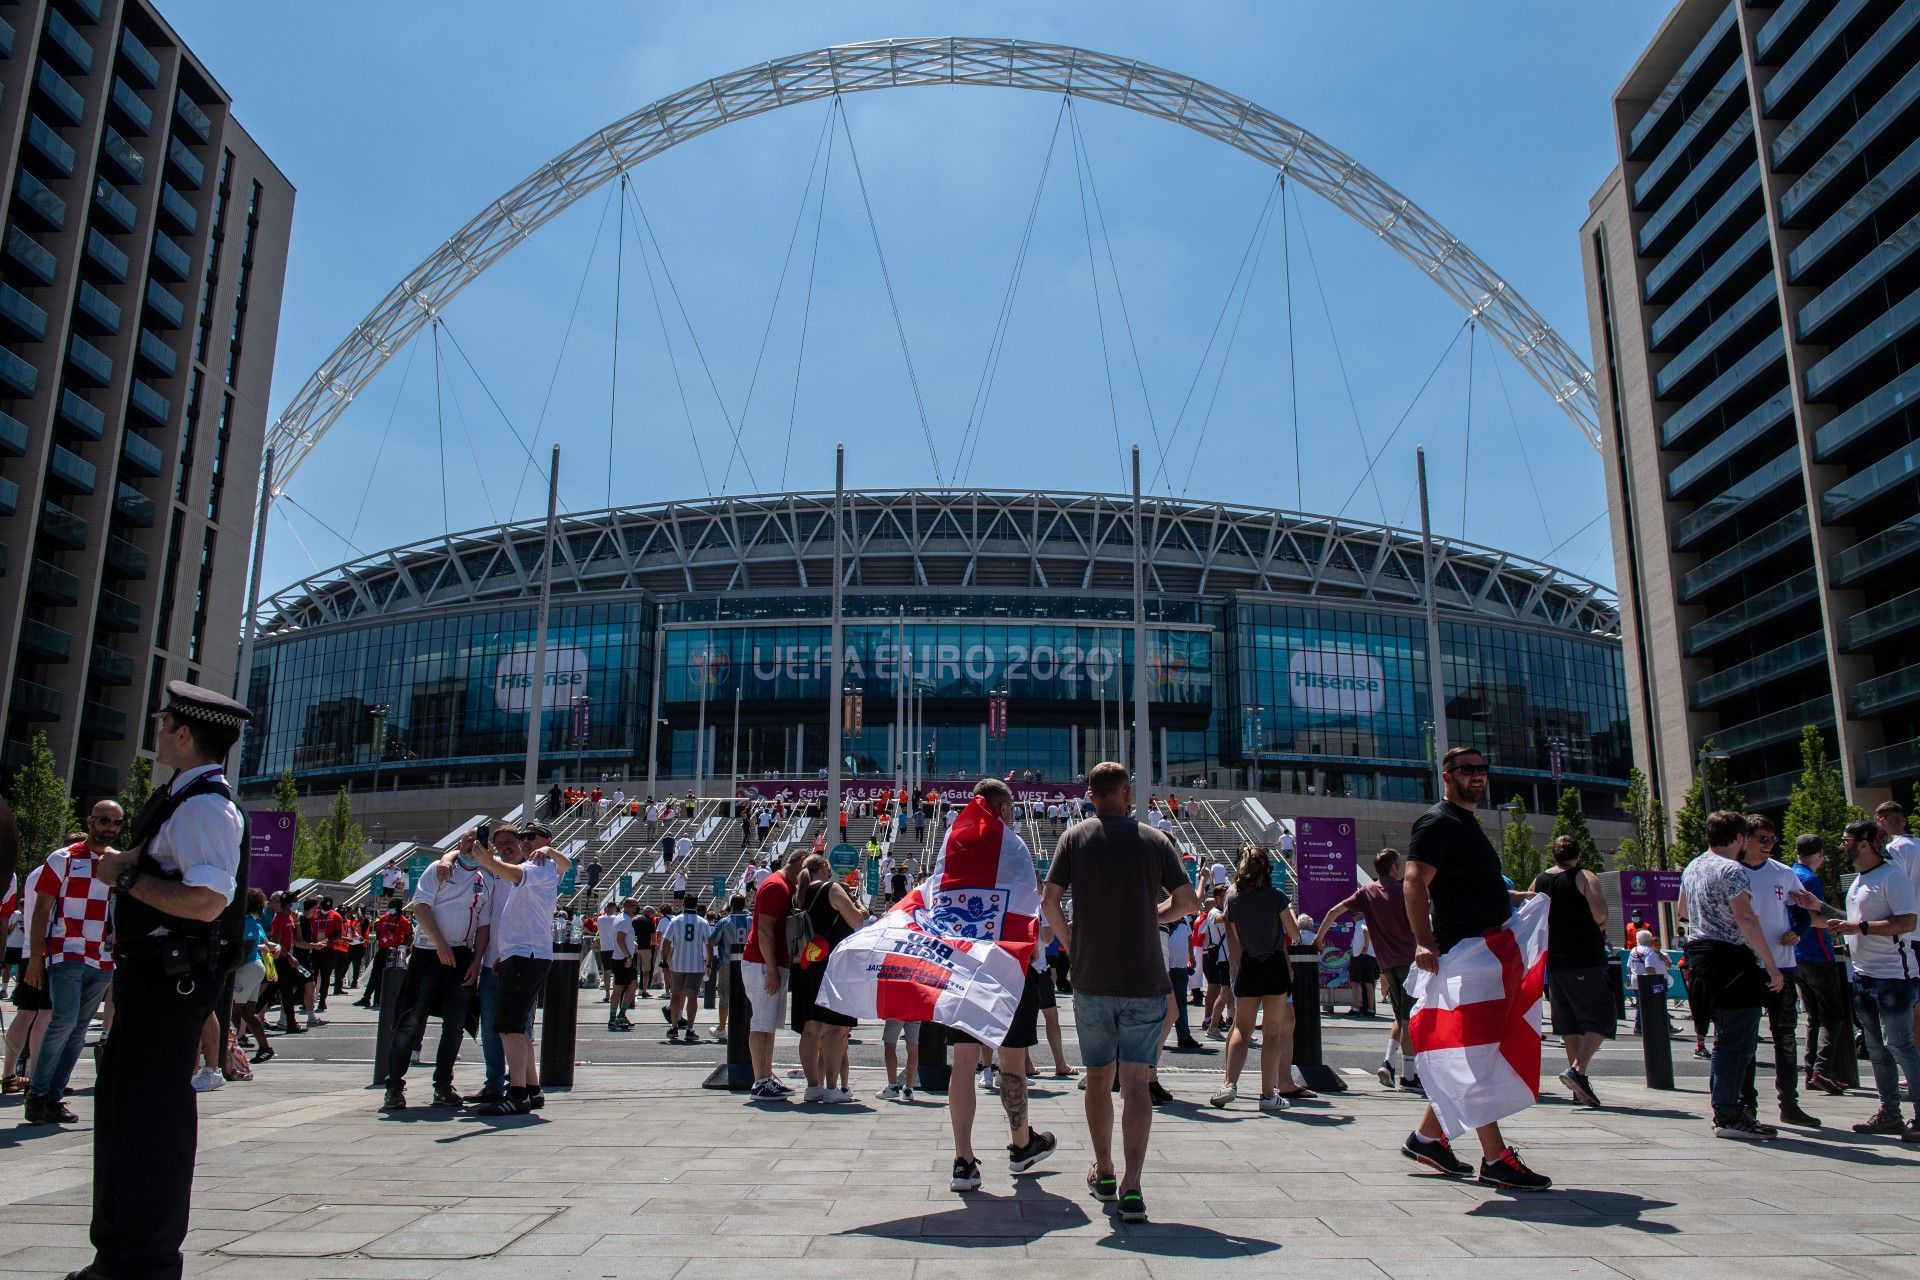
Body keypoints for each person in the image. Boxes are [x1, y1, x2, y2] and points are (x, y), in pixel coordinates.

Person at [81, 682, 251, 1280]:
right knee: (130, 1113)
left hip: (168, 976)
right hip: (151, 974)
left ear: (185, 734)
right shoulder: (183, 800)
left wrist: (124, 881)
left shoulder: (205, 807)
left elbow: (207, 901)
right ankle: (122, 1251)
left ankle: (142, 1260)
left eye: (164, 723)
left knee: (151, 1120)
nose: (157, 732)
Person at [1041, 761, 1200, 1224]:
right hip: (1144, 978)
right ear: (1127, 793)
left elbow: (1049, 901)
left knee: (1096, 1077)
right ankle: (1133, 1185)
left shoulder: (1075, 839)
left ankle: (1105, 1169)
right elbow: (1188, 901)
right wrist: (1153, 916)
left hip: (1092, 979)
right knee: (1135, 1083)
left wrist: (1073, 944)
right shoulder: (1155, 840)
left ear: (1090, 795)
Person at [1399, 745, 1551, 1190]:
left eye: (1483, 769)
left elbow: (1469, 890)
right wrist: (1423, 942)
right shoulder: (1438, 823)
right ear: (1447, 776)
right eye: (1467, 770)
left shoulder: (1467, 825)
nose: (1477, 776)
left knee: (1476, 1054)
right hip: (1464, 955)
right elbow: (1413, 882)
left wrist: (1516, 902)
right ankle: (1495, 1157)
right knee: (1479, 1058)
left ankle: (1428, 1137)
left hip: (1484, 953)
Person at [937, 780, 1058, 1193]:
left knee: (965, 1062)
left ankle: (963, 1160)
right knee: (1011, 1060)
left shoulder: (952, 841)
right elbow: (1029, 910)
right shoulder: (1015, 846)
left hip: (963, 964)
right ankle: (1021, 1144)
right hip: (1007, 966)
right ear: (1003, 807)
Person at [1798, 819, 1920, 1140]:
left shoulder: (1892, 877)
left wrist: (1861, 929)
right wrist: (1817, 908)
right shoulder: (1860, 882)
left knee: (1900, 1045)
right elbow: (1850, 920)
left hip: (1893, 977)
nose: (1842, 845)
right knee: (1876, 1050)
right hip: (1865, 977)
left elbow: (1907, 921)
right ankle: (1889, 1114)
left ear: (1865, 843)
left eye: (1846, 840)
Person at [1677, 810, 1787, 1142]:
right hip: (1730, 960)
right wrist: (1770, 963)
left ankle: (1727, 1108)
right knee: (1736, 1039)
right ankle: (1728, 1112)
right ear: (1739, 838)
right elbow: (1745, 917)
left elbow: (1682, 910)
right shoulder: (1732, 870)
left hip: (1700, 957)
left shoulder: (1693, 867)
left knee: (1724, 1038)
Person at [21, 799, 123, 1125]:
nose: (110, 827)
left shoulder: (118, 863)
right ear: (90, 821)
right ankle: (37, 1095)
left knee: (78, 1030)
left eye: (116, 823)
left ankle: (53, 1096)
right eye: (104, 820)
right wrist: (36, 958)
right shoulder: (62, 858)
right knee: (63, 1021)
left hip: (103, 958)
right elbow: (41, 912)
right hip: (66, 951)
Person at [468, 822, 571, 1115]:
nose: (524, 842)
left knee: (509, 1025)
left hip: (526, 954)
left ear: (544, 840)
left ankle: (517, 1093)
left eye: (527, 837)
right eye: (521, 837)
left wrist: (490, 861)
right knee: (516, 1026)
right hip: (522, 953)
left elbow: (514, 873)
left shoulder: (540, 864)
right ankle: (532, 1089)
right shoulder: (540, 863)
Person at [382, 835, 491, 1112]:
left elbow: (483, 925)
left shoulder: (486, 879)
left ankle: (443, 1085)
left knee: (454, 1026)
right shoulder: (438, 869)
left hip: (462, 955)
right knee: (409, 1020)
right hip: (428, 951)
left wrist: (477, 961)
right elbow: (421, 906)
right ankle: (394, 1085)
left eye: (477, 845)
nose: (471, 848)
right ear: (458, 846)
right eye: (466, 843)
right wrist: (440, 942)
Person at [1314, 848, 1421, 1092]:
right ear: (1394, 868)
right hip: (1408, 961)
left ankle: (1388, 1063)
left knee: (1399, 1016)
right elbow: (1418, 924)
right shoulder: (1403, 890)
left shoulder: (1366, 892)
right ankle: (1409, 1076)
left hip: (1386, 963)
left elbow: (1333, 912)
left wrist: (1318, 940)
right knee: (1409, 1019)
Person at [1738, 814, 1820, 1128]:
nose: (1769, 844)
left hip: (1783, 963)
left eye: (1773, 838)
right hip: (1748, 965)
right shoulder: (1734, 872)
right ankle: (1747, 1104)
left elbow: (1803, 912)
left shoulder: (1783, 873)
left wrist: (1799, 932)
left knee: (1785, 1036)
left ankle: (1790, 1102)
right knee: (1745, 1035)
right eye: (1763, 839)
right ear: (1745, 839)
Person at [1209, 845, 1306, 1110]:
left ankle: (1229, 1085)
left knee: (1241, 1027)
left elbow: (1234, 938)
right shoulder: (1276, 896)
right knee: (1273, 1033)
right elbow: (1294, 932)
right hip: (1274, 964)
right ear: (1266, 869)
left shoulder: (1235, 900)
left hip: (1249, 965)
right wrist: (1293, 913)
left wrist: (1239, 966)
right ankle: (1267, 1095)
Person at [1530, 834, 1613, 1109]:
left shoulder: (1540, 880)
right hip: (1585, 959)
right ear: (1577, 854)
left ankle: (1579, 1089)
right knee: (1601, 1019)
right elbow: (1600, 914)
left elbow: (1528, 908)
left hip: (1555, 963)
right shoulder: (1583, 876)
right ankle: (1577, 1070)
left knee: (1570, 1027)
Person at [790, 854, 865, 1102]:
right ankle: (832, 1089)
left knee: (810, 1029)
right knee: (834, 1028)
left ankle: (813, 1086)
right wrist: (862, 910)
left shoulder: (798, 894)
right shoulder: (831, 889)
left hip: (805, 965)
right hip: (833, 966)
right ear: (823, 868)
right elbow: (854, 920)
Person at [743, 848, 805, 1099]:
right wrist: (771, 968)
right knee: (761, 1022)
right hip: (762, 962)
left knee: (768, 1024)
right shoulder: (775, 887)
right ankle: (760, 1079)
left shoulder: (784, 886)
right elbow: (765, 930)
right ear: (799, 864)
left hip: (772, 962)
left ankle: (766, 1075)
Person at [1790, 835, 1848, 1096]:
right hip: (1817, 952)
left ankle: (1811, 1067)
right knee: (1833, 1014)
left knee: (1813, 1015)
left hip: (1797, 955)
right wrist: (1841, 923)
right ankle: (1822, 1070)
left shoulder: (1790, 874)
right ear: (1821, 854)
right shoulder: (1810, 879)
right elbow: (1815, 917)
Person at [660, 895, 715, 1044]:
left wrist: (664, 960)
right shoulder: (702, 922)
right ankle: (690, 1029)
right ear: (696, 905)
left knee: (676, 995)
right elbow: (709, 945)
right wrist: (709, 963)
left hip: (678, 963)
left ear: (683, 904)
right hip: (695, 964)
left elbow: (666, 942)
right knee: (692, 996)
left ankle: (674, 1027)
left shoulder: (675, 920)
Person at [232, 889, 275, 1066]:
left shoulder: (247, 923)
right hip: (253, 968)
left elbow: (248, 948)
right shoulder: (251, 922)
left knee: (231, 1011)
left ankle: (230, 1049)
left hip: (247, 969)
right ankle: (265, 1048)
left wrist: (232, 969)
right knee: (248, 1013)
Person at [713, 894, 751, 1039]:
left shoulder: (725, 921)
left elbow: (713, 941)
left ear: (731, 905)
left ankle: (722, 1027)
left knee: (725, 996)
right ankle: (747, 1027)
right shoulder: (752, 920)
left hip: (728, 962)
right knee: (748, 995)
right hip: (749, 962)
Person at [1626, 929, 1669, 1035]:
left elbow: (1628, 967)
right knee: (1655, 1003)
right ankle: (1646, 1026)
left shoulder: (1633, 950)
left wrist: (1628, 980)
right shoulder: (1649, 951)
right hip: (1647, 980)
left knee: (1640, 1004)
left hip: (1635, 980)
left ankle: (1639, 1026)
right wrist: (1655, 980)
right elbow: (1650, 967)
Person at [606, 899, 639, 1032]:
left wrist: (632, 946)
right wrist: (627, 956)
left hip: (623, 957)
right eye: (634, 906)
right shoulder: (624, 921)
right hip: (622, 959)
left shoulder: (624, 919)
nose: (636, 908)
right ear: (628, 907)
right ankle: (613, 1018)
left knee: (633, 985)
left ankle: (621, 1014)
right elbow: (620, 939)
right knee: (619, 988)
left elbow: (623, 939)